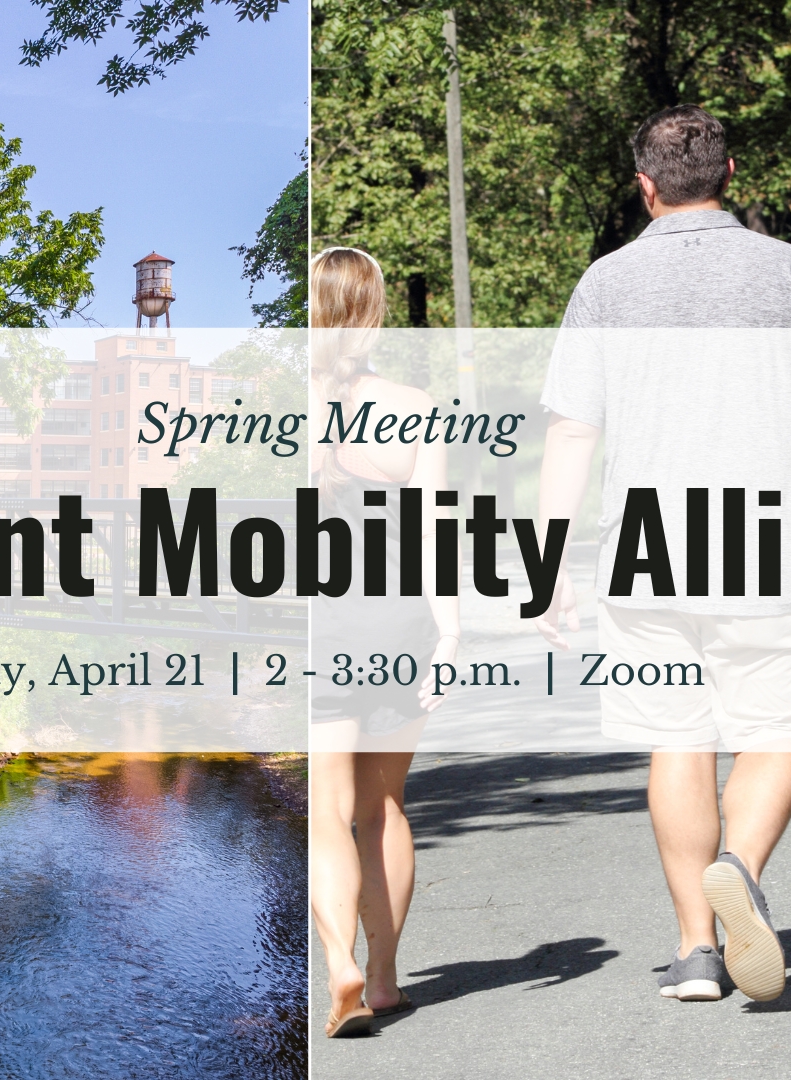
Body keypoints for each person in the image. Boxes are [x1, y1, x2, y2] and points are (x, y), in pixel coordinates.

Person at [535, 104, 791, 1003]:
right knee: (777, 727)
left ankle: (697, 952)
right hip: (767, 541)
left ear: (644, 186)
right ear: (730, 173)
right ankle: (742, 866)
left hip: (643, 551)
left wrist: (550, 563)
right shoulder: (788, 271)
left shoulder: (604, 284)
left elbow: (570, 435)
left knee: (675, 740)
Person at [305, 246, 461, 1037]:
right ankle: (388, 981)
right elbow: (436, 528)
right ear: (372, 313)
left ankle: (340, 966)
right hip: (399, 616)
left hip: (320, 620)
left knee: (327, 811)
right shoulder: (413, 404)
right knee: (385, 807)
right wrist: (450, 624)